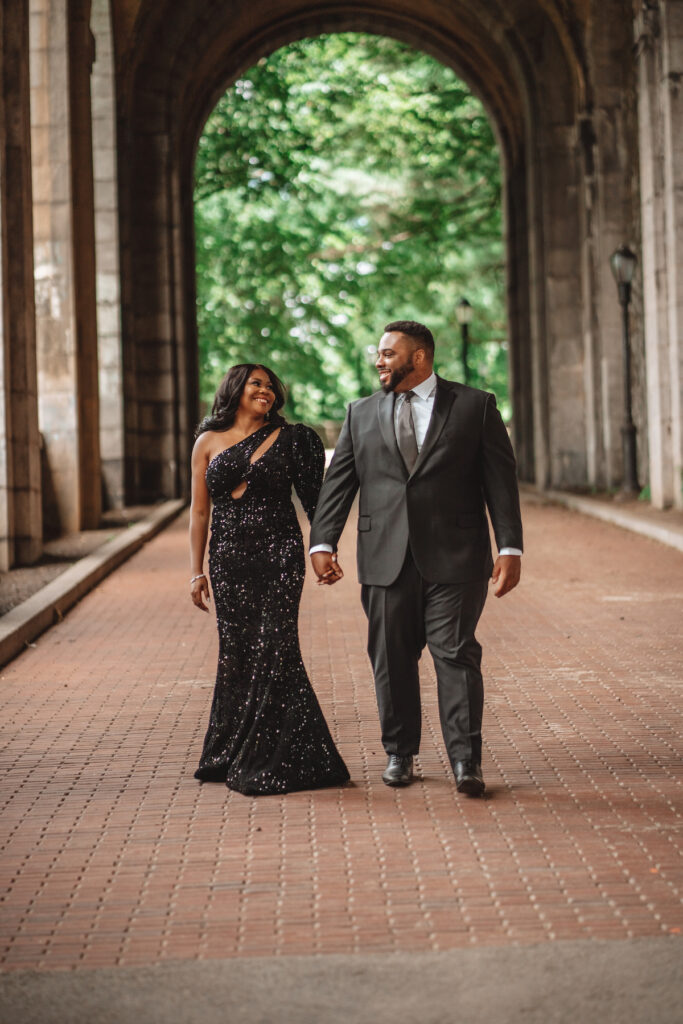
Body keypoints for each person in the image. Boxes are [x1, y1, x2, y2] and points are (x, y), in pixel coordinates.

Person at [309, 321, 523, 795]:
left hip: (458, 556)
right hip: (384, 558)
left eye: (388, 353)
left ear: (419, 357)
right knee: (391, 659)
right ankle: (399, 754)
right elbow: (339, 484)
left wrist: (509, 546)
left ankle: (467, 762)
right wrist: (322, 542)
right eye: (378, 353)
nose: (379, 360)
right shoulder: (359, 413)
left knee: (456, 655)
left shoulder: (475, 406)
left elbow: (500, 483)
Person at [189, 363, 349, 795]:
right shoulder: (207, 442)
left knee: (276, 644)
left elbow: (318, 503)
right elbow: (200, 510)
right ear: (235, 389)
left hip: (279, 556)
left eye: (270, 386)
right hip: (228, 561)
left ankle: (284, 758)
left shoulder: (296, 439)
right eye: (256, 383)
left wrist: (325, 549)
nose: (265, 390)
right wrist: (195, 571)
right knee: (238, 651)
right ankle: (232, 748)